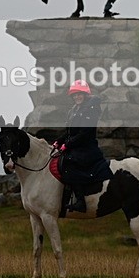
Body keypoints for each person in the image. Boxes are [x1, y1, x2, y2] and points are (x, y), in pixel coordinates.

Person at [53, 80, 107, 212]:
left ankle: (80, 201)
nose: (77, 97)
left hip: (87, 147)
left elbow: (85, 133)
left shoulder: (91, 109)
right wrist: (58, 141)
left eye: (80, 94)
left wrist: (67, 145)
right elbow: (69, 132)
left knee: (69, 164)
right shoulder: (73, 110)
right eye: (75, 95)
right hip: (76, 146)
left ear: (85, 94)